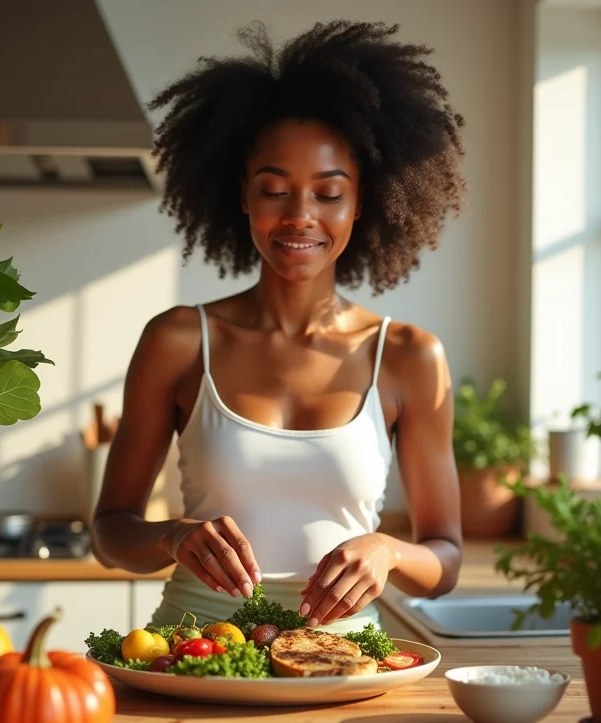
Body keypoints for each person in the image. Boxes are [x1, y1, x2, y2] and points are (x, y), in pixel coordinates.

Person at [91, 20, 465, 634]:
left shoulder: (408, 356)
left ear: (362, 200)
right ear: (242, 195)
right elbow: (110, 534)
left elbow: (445, 558)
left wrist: (389, 551)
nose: (299, 217)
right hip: (195, 654)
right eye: (275, 189)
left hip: (343, 666)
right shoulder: (179, 342)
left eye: (328, 193)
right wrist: (173, 538)